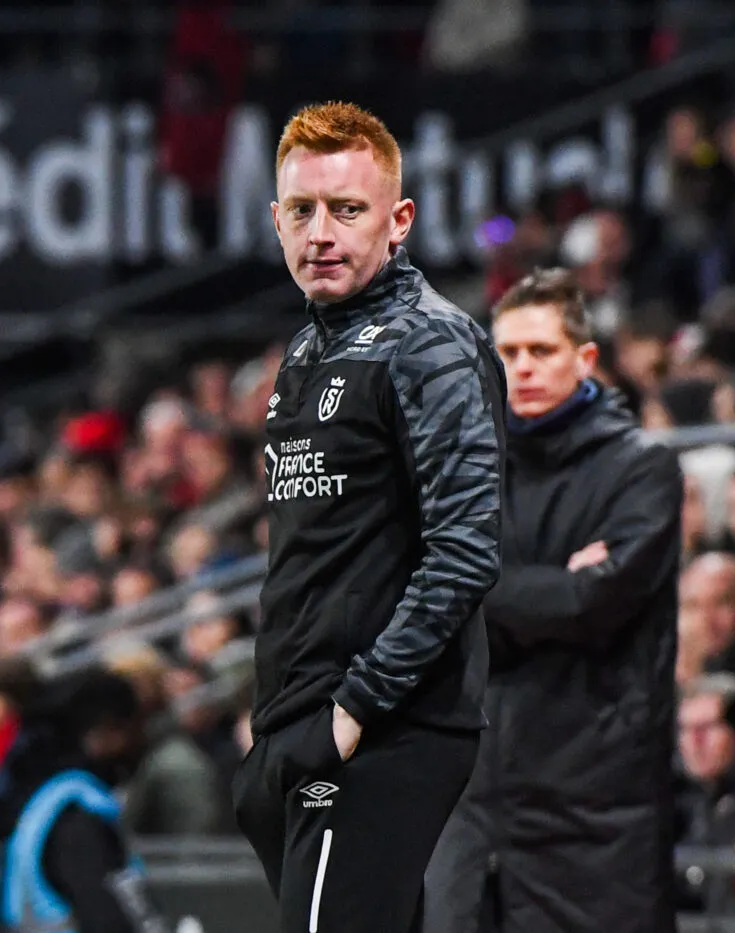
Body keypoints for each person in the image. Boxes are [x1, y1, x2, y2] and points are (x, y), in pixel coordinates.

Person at [233, 100, 505, 933]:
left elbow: (465, 550)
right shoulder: (309, 346)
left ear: (398, 221)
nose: (322, 232)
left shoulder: (430, 344)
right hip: (300, 719)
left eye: (348, 210)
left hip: (378, 727)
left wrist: (352, 712)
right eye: (303, 211)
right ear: (276, 221)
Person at [424, 268, 682, 933]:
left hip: (595, 803)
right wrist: (552, 586)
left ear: (585, 358)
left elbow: (593, 604)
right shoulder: (460, 467)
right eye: (508, 353)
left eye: (541, 351)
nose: (524, 368)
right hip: (471, 792)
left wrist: (485, 588)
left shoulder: (641, 468)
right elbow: (430, 597)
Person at [0, 660, 167, 933]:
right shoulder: (76, 816)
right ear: (105, 730)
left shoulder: (38, 805)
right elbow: (110, 921)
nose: (141, 738)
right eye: (134, 725)